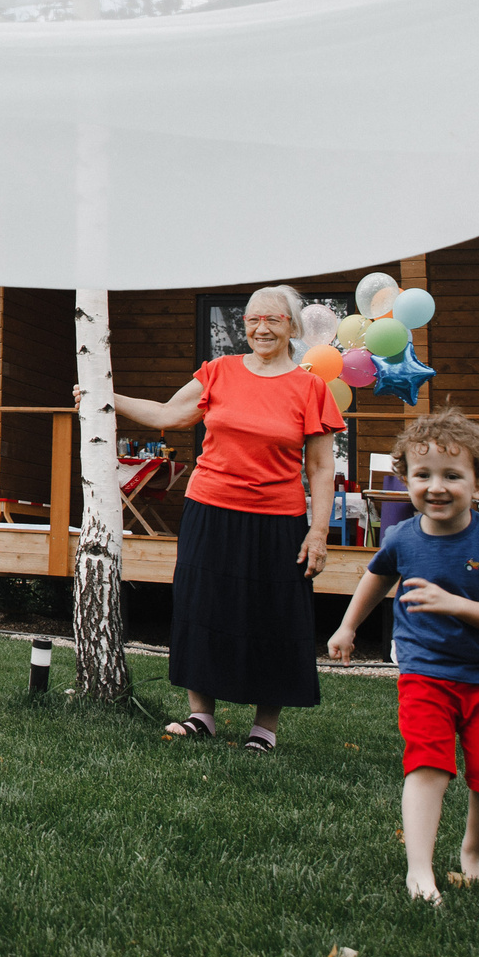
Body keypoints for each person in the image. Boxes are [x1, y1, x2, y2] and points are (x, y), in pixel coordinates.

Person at [95, 283, 342, 752]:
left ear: (291, 327)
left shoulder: (310, 387)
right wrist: (103, 395)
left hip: (277, 518)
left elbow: (321, 467)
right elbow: (167, 412)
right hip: (210, 508)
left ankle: (264, 728)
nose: (261, 328)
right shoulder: (219, 372)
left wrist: (318, 531)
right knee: (202, 606)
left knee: (275, 616)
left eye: (272, 319)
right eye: (252, 319)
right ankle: (200, 715)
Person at [327, 409, 479, 906]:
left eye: (452, 476)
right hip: (424, 673)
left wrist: (454, 603)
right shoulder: (402, 538)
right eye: (422, 475)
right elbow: (375, 578)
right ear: (406, 480)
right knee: (427, 764)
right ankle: (420, 872)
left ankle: (474, 852)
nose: (436, 487)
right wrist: (348, 625)